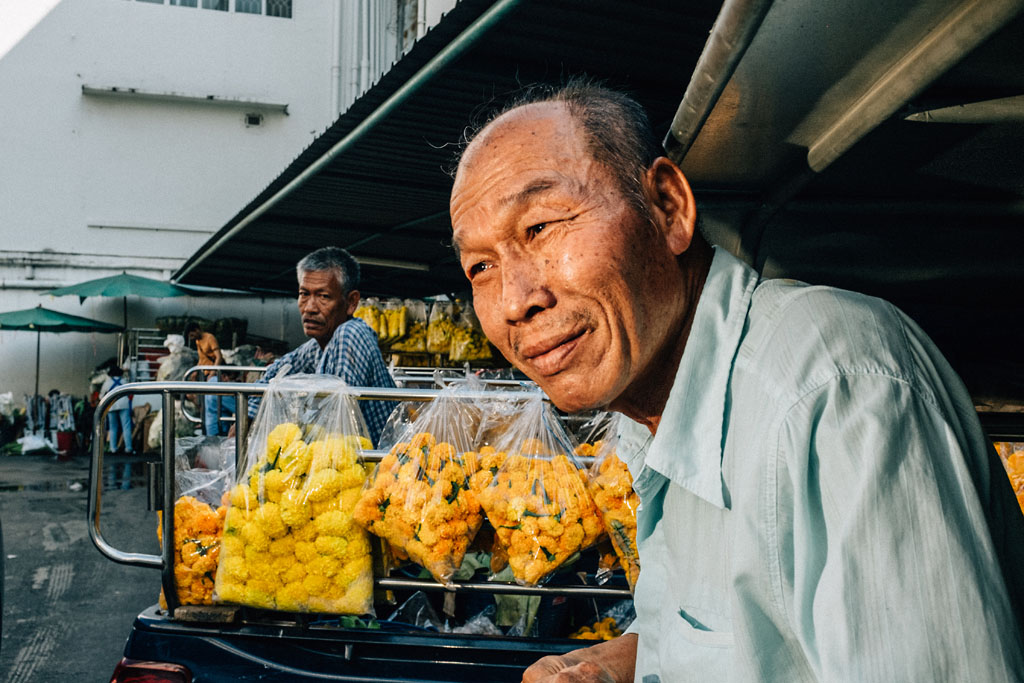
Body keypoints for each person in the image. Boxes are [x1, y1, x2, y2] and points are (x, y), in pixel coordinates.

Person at [449, 80, 1024, 682]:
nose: (516, 301)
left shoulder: (828, 387)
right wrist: (617, 664)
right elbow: (742, 628)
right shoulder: (655, 419)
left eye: (541, 227)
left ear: (668, 209)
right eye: (480, 267)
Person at [243, 246, 396, 445]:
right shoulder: (317, 346)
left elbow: (333, 419)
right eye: (304, 294)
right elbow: (274, 374)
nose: (309, 308)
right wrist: (248, 417)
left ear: (351, 302)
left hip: (377, 465)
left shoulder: (350, 335)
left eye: (323, 297)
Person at [185, 322, 235, 436]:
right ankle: (203, 419)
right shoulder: (198, 342)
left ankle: (213, 424)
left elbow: (218, 356)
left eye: (192, 335)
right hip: (204, 374)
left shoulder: (210, 338)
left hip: (212, 375)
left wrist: (213, 372)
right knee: (196, 397)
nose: (192, 338)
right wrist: (196, 371)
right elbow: (201, 358)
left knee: (213, 401)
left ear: (197, 330)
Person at [100, 366, 132, 489]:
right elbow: (130, 393)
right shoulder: (124, 382)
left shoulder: (107, 382)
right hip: (123, 404)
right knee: (126, 426)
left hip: (111, 405)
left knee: (113, 427)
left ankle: (113, 448)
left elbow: (102, 395)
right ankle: (128, 448)